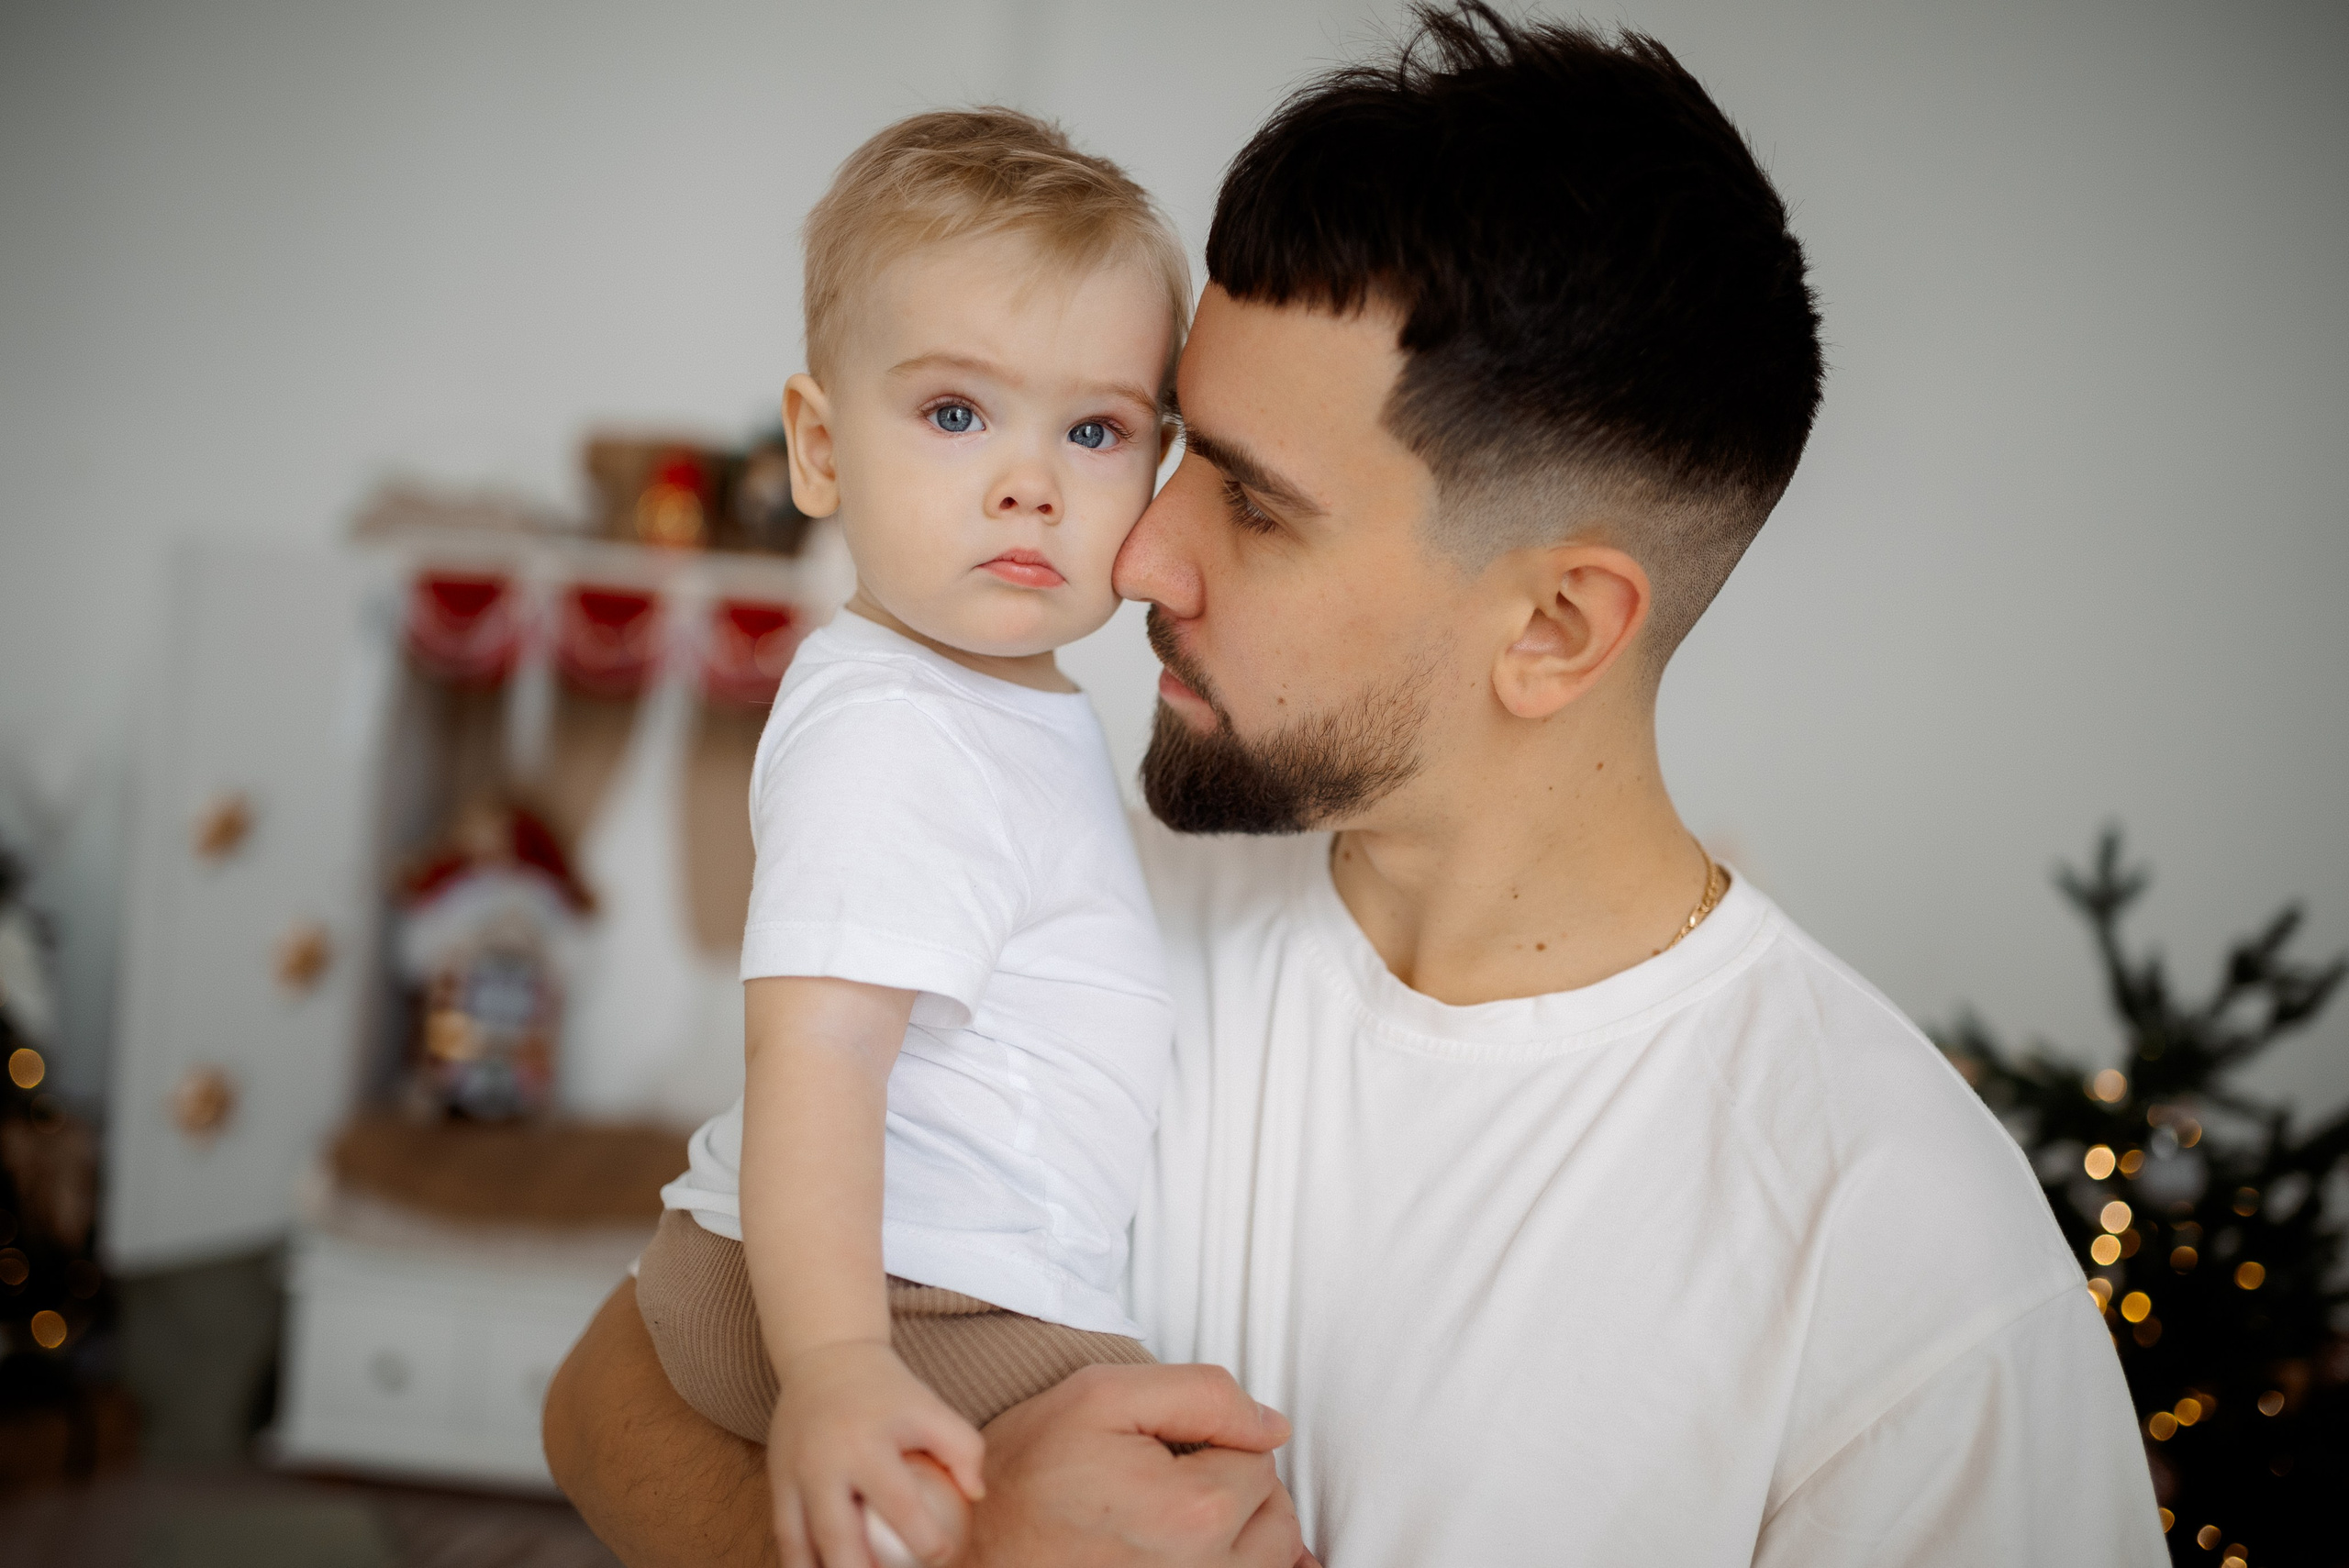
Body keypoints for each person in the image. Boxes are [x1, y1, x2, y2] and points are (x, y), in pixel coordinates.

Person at [548, 9, 2166, 1564]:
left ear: (1552, 627)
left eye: (1249, 502)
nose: (1142, 547)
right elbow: (608, 1396)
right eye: (1171, 450)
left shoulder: (1905, 1263)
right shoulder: (1091, 901)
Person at [629, 109, 1203, 1567]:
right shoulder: (898, 726)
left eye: (1095, 428)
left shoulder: (994, 708)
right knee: (1190, 1488)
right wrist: (832, 1364)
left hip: (928, 1278)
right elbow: (817, 1051)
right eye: (958, 412)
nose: (1032, 480)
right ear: (820, 447)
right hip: (891, 1296)